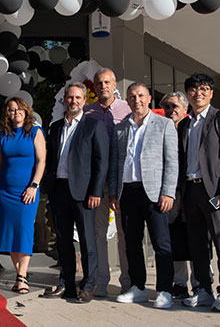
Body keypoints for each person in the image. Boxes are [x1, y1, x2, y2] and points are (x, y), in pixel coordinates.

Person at [109, 83, 178, 308]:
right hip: (128, 192)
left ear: (149, 98)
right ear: (127, 100)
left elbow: (172, 162)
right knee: (132, 243)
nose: (136, 100)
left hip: (155, 194)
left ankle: (165, 290)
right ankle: (138, 287)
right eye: (131, 96)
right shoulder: (120, 128)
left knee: (161, 243)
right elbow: (115, 163)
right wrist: (113, 193)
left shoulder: (164, 124)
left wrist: (168, 192)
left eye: (140, 95)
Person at [177, 73, 220, 312]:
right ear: (187, 94)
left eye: (204, 89)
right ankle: (203, 290)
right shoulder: (185, 124)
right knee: (197, 244)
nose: (198, 93)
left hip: (214, 191)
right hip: (191, 190)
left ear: (211, 93)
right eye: (193, 89)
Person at [41, 83, 109, 303]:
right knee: (63, 241)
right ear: (65, 100)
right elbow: (50, 158)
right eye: (70, 97)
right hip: (59, 190)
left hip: (84, 193)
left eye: (78, 97)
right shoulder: (55, 127)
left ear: (84, 101)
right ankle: (66, 284)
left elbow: (101, 163)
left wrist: (96, 191)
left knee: (88, 241)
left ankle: (88, 286)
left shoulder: (93, 126)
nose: (74, 101)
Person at [83, 68, 131, 296]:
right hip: (97, 182)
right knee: (98, 232)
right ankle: (101, 281)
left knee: (124, 233)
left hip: (122, 180)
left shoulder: (128, 109)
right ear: (94, 87)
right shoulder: (87, 112)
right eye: (99, 83)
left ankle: (128, 282)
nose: (103, 86)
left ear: (114, 85)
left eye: (107, 82)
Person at [0, 96, 46, 295]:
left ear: (26, 112)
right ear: (7, 113)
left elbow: (41, 161)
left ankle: (22, 276)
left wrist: (34, 185)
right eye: (11, 109)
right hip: (5, 191)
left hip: (27, 191)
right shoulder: (2, 135)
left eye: (19, 109)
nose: (15, 112)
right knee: (9, 234)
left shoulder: (35, 131)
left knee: (24, 231)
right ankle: (20, 276)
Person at [159, 91, 200, 300]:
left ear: (185, 108)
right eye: (167, 107)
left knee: (197, 238)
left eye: (174, 106)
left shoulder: (192, 129)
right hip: (169, 194)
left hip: (193, 192)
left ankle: (200, 283)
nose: (170, 110)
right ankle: (180, 283)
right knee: (175, 238)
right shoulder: (160, 130)